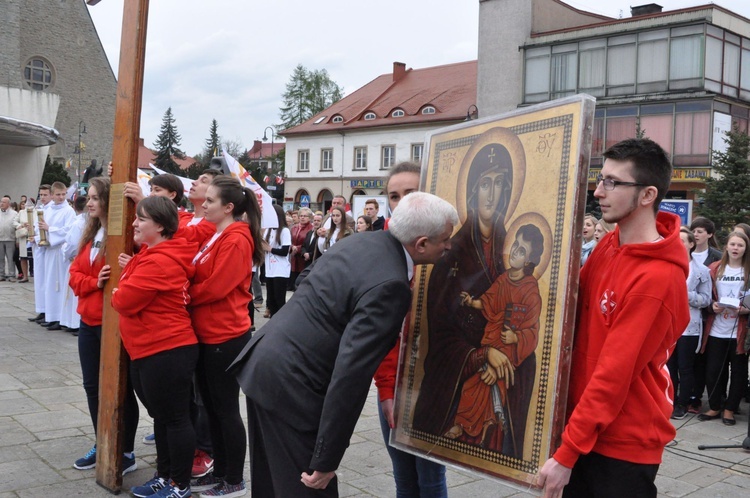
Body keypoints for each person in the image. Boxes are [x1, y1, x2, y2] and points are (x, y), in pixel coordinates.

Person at [231, 191, 458, 498]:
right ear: (421, 244)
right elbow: (351, 373)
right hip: (294, 387)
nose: (448, 246)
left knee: (272, 482)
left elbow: (304, 279)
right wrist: (326, 458)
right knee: (308, 488)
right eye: (445, 239)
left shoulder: (361, 241)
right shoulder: (392, 286)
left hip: (267, 364)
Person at [538, 138, 690, 498]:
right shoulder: (610, 244)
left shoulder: (657, 279)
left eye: (612, 182)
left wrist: (567, 453)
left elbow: (613, 376)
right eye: (600, 178)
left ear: (648, 194)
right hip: (582, 426)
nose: (598, 191)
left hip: (623, 444)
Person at [412, 143, 514, 447]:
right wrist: (481, 355)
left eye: (499, 184)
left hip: (503, 357)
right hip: (460, 369)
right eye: (485, 183)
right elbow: (440, 334)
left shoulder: (511, 246)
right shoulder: (450, 251)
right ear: (473, 190)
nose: (492, 194)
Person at [111, 196, 199, 498]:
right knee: (162, 418)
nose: (134, 223)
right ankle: (165, 476)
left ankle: (180, 484)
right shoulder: (149, 254)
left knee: (174, 418)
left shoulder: (160, 260)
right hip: (149, 349)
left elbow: (122, 300)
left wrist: (119, 288)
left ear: (160, 226)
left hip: (166, 349)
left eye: (141, 219)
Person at [372, 162, 448, 497]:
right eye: (393, 195)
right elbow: (381, 331)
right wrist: (386, 389)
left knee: (430, 478)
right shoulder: (382, 249)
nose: (400, 203)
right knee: (402, 474)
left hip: (432, 381)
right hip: (392, 381)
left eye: (410, 194)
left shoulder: (443, 248)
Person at [188, 176, 264, 497]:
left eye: (210, 201)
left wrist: (185, 294)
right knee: (213, 409)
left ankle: (234, 479)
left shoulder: (236, 238)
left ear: (229, 207)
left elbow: (219, 287)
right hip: (208, 334)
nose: (203, 205)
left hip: (224, 337)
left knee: (226, 411)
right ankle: (219, 471)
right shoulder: (220, 234)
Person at [446, 224, 544, 458]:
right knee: (472, 386)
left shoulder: (531, 289)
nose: (515, 252)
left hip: (509, 349)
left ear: (530, 259)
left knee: (488, 385)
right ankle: (464, 424)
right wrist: (471, 302)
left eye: (522, 250)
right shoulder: (503, 278)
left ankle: (483, 423)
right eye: (515, 246)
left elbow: (532, 328)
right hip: (490, 340)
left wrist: (516, 337)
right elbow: (489, 303)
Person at [68, 177, 140, 475]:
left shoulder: (121, 235)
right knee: (91, 386)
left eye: (97, 197)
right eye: (90, 197)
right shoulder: (91, 233)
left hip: (115, 322)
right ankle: (102, 441)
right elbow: (74, 273)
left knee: (122, 387)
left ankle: (125, 450)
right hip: (89, 321)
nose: (91, 202)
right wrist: (92, 282)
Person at [697, 230, 750, 426]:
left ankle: (730, 409)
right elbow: (704, 296)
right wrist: (712, 306)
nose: (736, 248)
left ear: (746, 248)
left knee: (738, 372)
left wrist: (746, 310)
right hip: (716, 328)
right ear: (727, 246)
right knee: (713, 370)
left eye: (740, 245)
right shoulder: (714, 268)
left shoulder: (748, 270)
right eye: (733, 244)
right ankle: (715, 406)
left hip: (739, 330)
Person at [667, 227, 712, 420]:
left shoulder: (701, 270)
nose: (679, 243)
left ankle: (683, 402)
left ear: (692, 244)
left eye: (683, 240)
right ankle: (669, 400)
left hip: (690, 326)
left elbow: (706, 299)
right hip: (668, 324)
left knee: (685, 367)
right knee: (669, 366)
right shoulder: (669, 265)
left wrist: (685, 294)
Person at [37, 182, 77, 330]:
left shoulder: (68, 211)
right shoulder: (48, 210)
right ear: (52, 195)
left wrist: (50, 229)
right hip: (49, 250)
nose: (61, 197)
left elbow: (69, 231)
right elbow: (39, 227)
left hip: (60, 252)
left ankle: (59, 317)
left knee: (58, 285)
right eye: (58, 194)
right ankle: (51, 315)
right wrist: (39, 237)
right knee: (49, 284)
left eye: (63, 194)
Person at [60, 195, 89, 334]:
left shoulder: (78, 223)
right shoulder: (84, 222)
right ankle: (72, 322)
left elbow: (71, 244)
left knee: (76, 293)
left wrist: (65, 253)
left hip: (77, 260)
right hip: (82, 259)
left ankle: (75, 322)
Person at [262, 204, 292, 318]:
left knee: (279, 299)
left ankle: (281, 322)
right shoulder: (268, 231)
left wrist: (270, 249)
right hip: (270, 270)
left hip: (280, 270)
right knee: (271, 300)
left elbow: (285, 251)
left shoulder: (284, 231)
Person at [28, 185, 52, 323]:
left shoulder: (51, 210)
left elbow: (50, 230)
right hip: (39, 249)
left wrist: (37, 237)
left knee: (46, 282)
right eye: (41, 195)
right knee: (39, 282)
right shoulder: (41, 209)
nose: (42, 197)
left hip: (47, 249)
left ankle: (47, 311)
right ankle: (41, 309)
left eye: (45, 195)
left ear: (51, 195)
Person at [290, 207, 314, 288]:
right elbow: (289, 240)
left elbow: (307, 243)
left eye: (305, 216)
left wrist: (298, 248)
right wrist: (292, 247)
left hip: (304, 258)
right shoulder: (294, 228)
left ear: (310, 218)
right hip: (293, 257)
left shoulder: (311, 228)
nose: (302, 217)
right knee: (293, 281)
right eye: (301, 216)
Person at [0, 195, 18, 281]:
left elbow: (17, 226)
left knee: (10, 258)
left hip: (10, 239)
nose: (1, 204)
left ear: (8, 204)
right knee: (0, 258)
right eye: (1, 202)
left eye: (4, 202)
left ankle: (11, 275)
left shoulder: (14, 213)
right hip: (0, 239)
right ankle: (1, 274)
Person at [13, 200, 30, 282]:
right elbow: (14, 222)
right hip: (23, 236)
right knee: (23, 257)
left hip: (33, 236)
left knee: (34, 258)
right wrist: (21, 225)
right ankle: (25, 276)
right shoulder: (21, 212)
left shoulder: (37, 211)